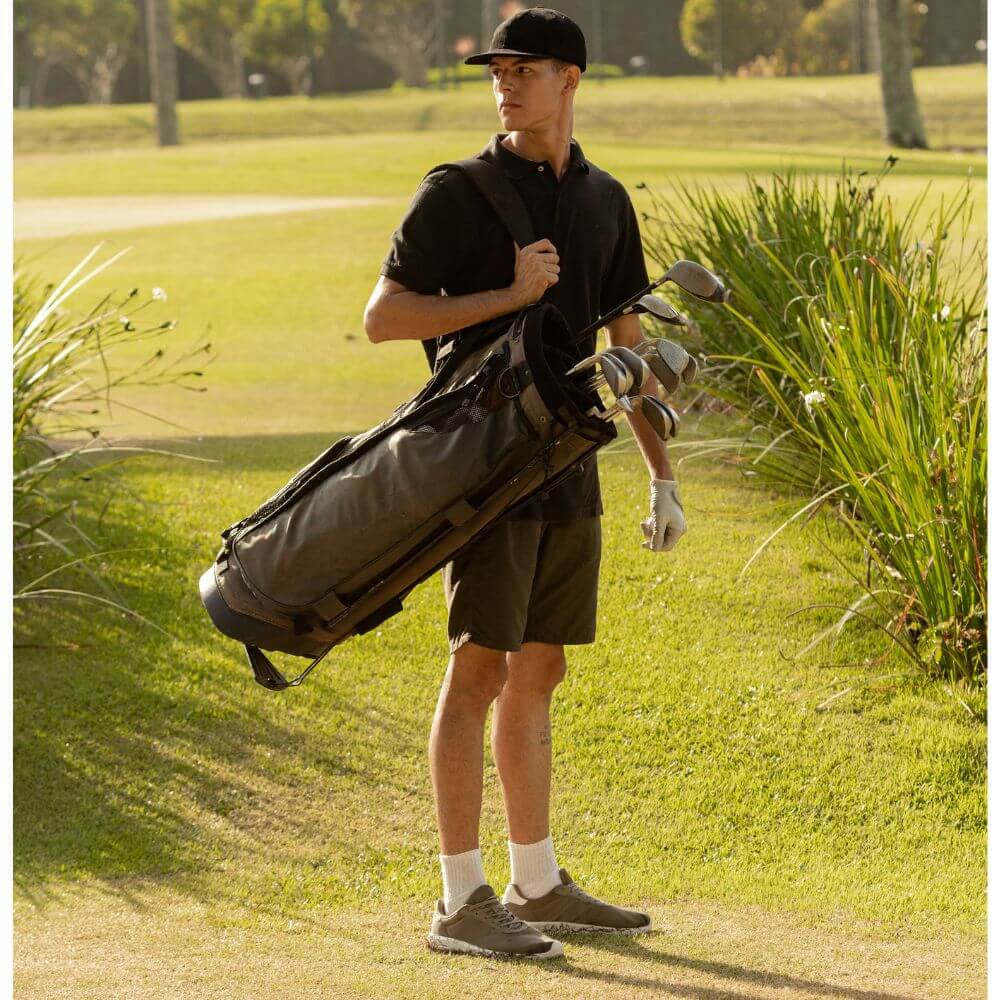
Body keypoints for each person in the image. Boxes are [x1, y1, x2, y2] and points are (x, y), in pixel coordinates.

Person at [364, 7, 687, 961]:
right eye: (497, 70)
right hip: (482, 463)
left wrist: (662, 475)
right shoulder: (456, 193)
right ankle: (459, 902)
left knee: (540, 668)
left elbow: (626, 349)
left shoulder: (605, 200)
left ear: (571, 79)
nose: (506, 83)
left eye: (527, 68)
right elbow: (385, 318)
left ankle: (536, 880)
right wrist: (509, 293)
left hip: (569, 462)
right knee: (480, 668)